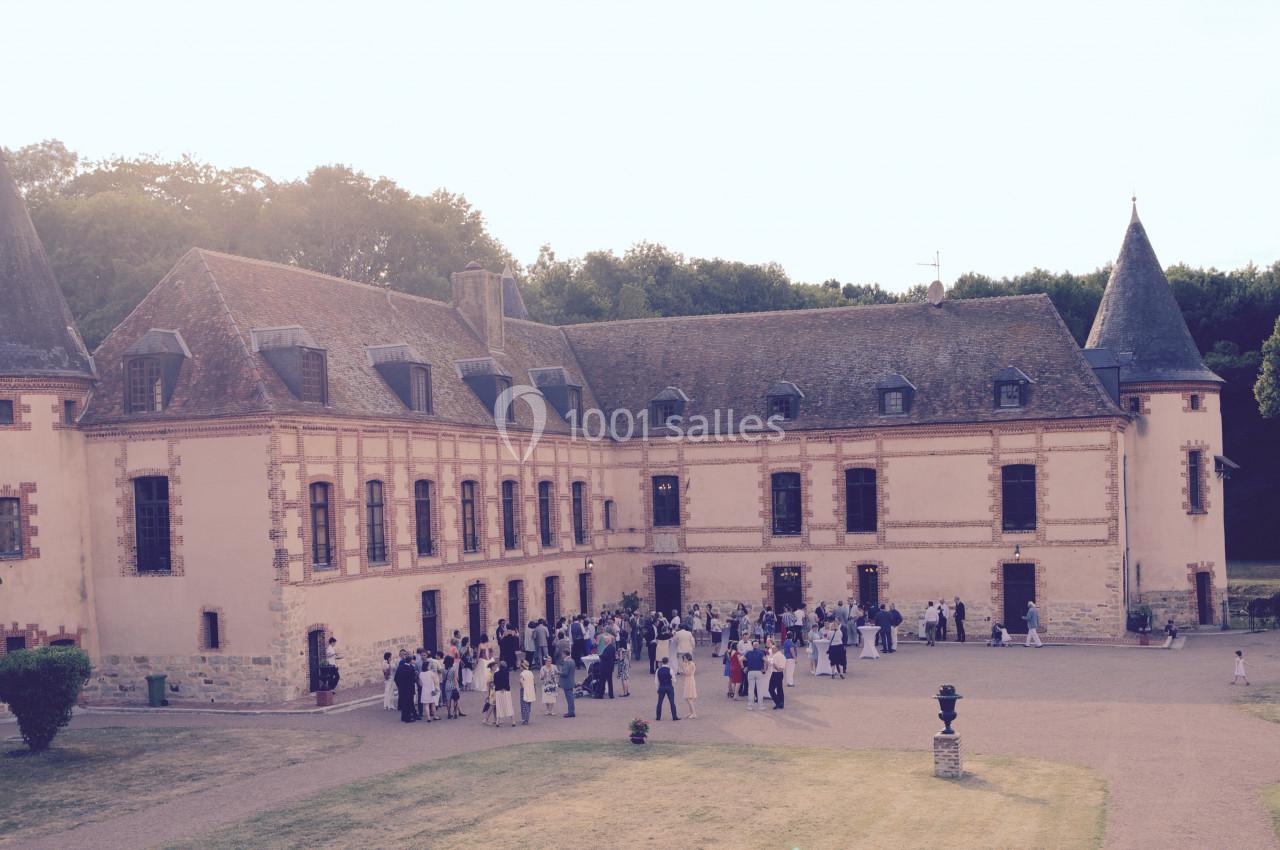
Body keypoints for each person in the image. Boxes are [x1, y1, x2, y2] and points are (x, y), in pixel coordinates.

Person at [394, 651, 418, 723]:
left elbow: (396, 678)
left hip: (402, 689)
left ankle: (404, 717)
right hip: (409, 689)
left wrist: (400, 686)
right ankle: (408, 718)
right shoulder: (411, 669)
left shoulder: (400, 668)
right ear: (410, 661)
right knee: (409, 703)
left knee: (404, 703)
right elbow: (413, 680)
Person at [743, 640, 767, 710]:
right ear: (758, 645)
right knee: (759, 689)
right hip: (758, 671)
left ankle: (750, 705)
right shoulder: (761, 653)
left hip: (750, 672)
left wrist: (744, 667)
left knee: (751, 689)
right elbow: (766, 660)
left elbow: (741, 659)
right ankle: (761, 705)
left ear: (752, 646)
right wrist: (764, 668)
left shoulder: (748, 652)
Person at [655, 656, 679, 720]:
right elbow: (674, 680)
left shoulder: (658, 670)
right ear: (668, 662)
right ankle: (674, 716)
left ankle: (658, 717)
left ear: (662, 662)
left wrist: (657, 688)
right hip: (669, 686)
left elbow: (656, 681)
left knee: (659, 702)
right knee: (672, 702)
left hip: (662, 686)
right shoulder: (670, 670)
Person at [494, 661, 516, 728]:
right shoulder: (506, 673)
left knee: (499, 706)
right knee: (509, 705)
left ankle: (497, 721)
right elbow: (506, 681)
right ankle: (513, 721)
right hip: (506, 690)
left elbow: (495, 682)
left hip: (498, 691)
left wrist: (500, 687)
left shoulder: (495, 674)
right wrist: (504, 687)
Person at [767, 644, 786, 709]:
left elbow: (773, 664)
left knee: (771, 689)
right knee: (780, 688)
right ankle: (781, 703)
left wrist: (777, 669)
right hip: (781, 673)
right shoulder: (783, 656)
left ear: (777, 649)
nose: (772, 649)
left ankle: (777, 702)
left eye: (773, 648)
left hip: (775, 673)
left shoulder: (775, 656)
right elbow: (783, 665)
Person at [598, 634, 617, 699]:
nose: (604, 641)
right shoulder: (611, 647)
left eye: (605, 640)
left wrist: (600, 656)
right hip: (609, 666)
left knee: (602, 680)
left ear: (608, 641)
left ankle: (601, 694)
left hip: (606, 666)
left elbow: (606, 656)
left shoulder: (609, 648)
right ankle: (610, 694)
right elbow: (613, 657)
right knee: (609, 681)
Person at [519, 660, 536, 725]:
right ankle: (527, 718)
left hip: (524, 689)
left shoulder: (522, 674)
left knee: (524, 704)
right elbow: (533, 682)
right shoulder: (530, 673)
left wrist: (522, 687)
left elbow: (521, 682)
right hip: (531, 689)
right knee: (529, 704)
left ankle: (525, 719)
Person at [681, 653, 698, 719]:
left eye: (685, 658)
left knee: (689, 698)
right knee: (687, 698)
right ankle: (691, 712)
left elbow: (688, 673)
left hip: (690, 681)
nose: (684, 660)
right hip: (688, 681)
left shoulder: (691, 664)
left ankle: (693, 713)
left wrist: (683, 668)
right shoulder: (689, 664)